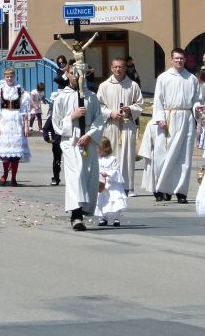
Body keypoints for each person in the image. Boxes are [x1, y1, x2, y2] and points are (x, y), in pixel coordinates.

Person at [52, 64, 105, 231]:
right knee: (75, 175)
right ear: (67, 74)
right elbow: (56, 123)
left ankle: (84, 209)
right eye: (73, 73)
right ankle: (76, 216)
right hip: (70, 140)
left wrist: (89, 136)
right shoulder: (61, 97)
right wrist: (72, 117)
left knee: (87, 175)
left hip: (88, 138)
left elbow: (99, 120)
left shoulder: (91, 96)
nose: (77, 76)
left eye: (81, 73)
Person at [150, 48, 203, 204]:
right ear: (171, 60)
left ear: (185, 60)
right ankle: (163, 189)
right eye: (176, 58)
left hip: (186, 118)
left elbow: (195, 100)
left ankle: (181, 191)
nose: (179, 61)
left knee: (184, 157)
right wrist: (160, 118)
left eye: (182, 58)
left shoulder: (191, 78)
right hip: (169, 117)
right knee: (166, 155)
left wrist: (197, 108)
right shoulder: (163, 78)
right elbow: (157, 100)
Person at [96, 57, 144, 196]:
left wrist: (130, 109)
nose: (118, 69)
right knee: (112, 155)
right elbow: (99, 106)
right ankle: (111, 185)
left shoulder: (133, 85)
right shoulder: (104, 86)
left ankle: (128, 187)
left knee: (127, 156)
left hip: (127, 125)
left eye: (121, 67)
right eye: (115, 67)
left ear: (125, 68)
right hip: (111, 125)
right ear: (111, 68)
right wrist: (110, 113)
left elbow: (140, 104)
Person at [0, 67, 31, 185]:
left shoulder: (20, 90)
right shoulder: (1, 90)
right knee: (6, 152)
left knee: (16, 153)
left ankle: (13, 177)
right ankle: (5, 174)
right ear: (4, 77)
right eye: (7, 77)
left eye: (11, 76)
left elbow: (24, 109)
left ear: (14, 77)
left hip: (17, 120)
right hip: (5, 120)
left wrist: (26, 126)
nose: (9, 79)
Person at [95, 137, 127, 227]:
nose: (99, 151)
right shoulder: (98, 159)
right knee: (101, 200)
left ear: (105, 148)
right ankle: (103, 218)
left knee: (115, 200)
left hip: (112, 184)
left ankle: (116, 218)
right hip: (102, 184)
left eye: (100, 149)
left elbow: (116, 170)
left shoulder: (113, 159)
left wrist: (108, 173)